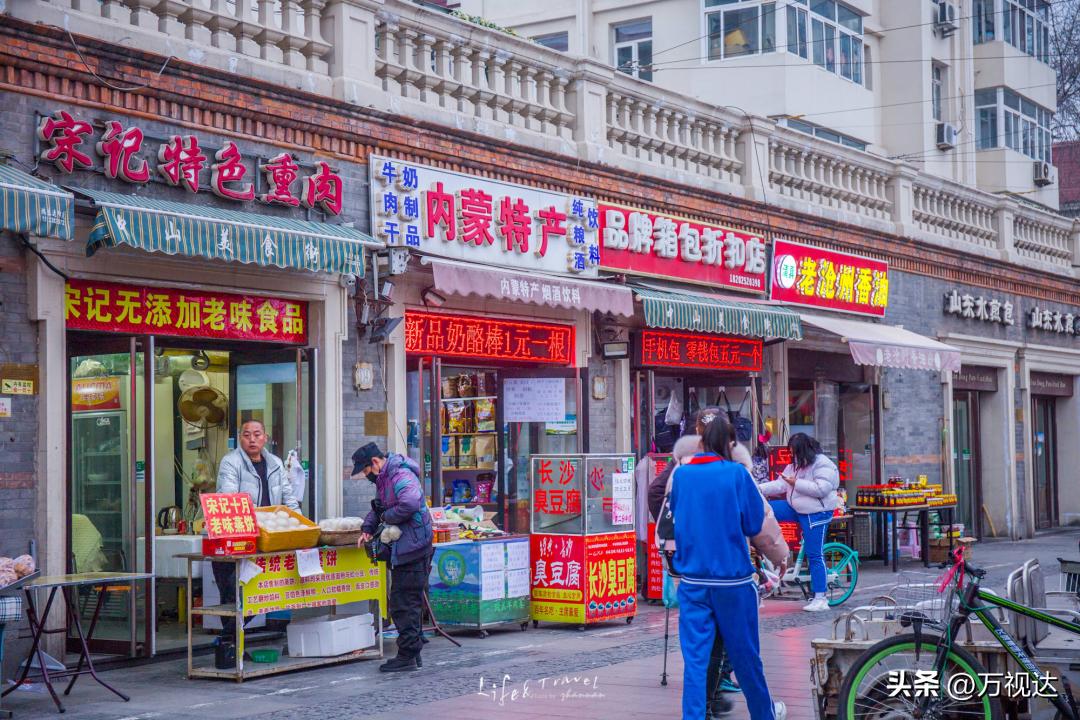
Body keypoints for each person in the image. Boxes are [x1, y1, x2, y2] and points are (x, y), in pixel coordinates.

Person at [670, 415, 787, 720]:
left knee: (695, 661)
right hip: (733, 581)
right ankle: (764, 714)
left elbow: (676, 523)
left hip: (693, 579)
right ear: (730, 443)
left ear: (702, 441)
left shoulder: (682, 475)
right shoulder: (737, 474)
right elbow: (752, 522)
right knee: (746, 657)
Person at [214, 419, 299, 639]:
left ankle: (228, 641)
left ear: (265, 438)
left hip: (269, 541)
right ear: (240, 438)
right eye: (247, 434)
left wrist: (299, 527)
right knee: (234, 596)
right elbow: (230, 499)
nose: (252, 439)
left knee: (263, 593)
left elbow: (289, 499)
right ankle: (229, 643)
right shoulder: (230, 462)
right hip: (237, 541)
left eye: (257, 434)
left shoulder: (276, 463)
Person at [352, 442, 433, 673]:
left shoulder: (399, 475)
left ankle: (407, 655)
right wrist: (368, 527)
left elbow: (410, 502)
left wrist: (388, 517)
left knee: (403, 603)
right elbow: (378, 507)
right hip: (407, 545)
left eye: (366, 471)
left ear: (375, 463)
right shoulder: (384, 479)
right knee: (408, 602)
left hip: (413, 547)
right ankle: (412, 652)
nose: (367, 476)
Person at [758, 433, 840, 613]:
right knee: (765, 509)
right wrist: (757, 489)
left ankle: (820, 597)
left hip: (816, 512)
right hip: (796, 507)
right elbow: (781, 485)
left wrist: (796, 483)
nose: (793, 457)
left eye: (796, 453)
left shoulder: (823, 464)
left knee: (815, 554)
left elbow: (821, 489)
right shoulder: (796, 464)